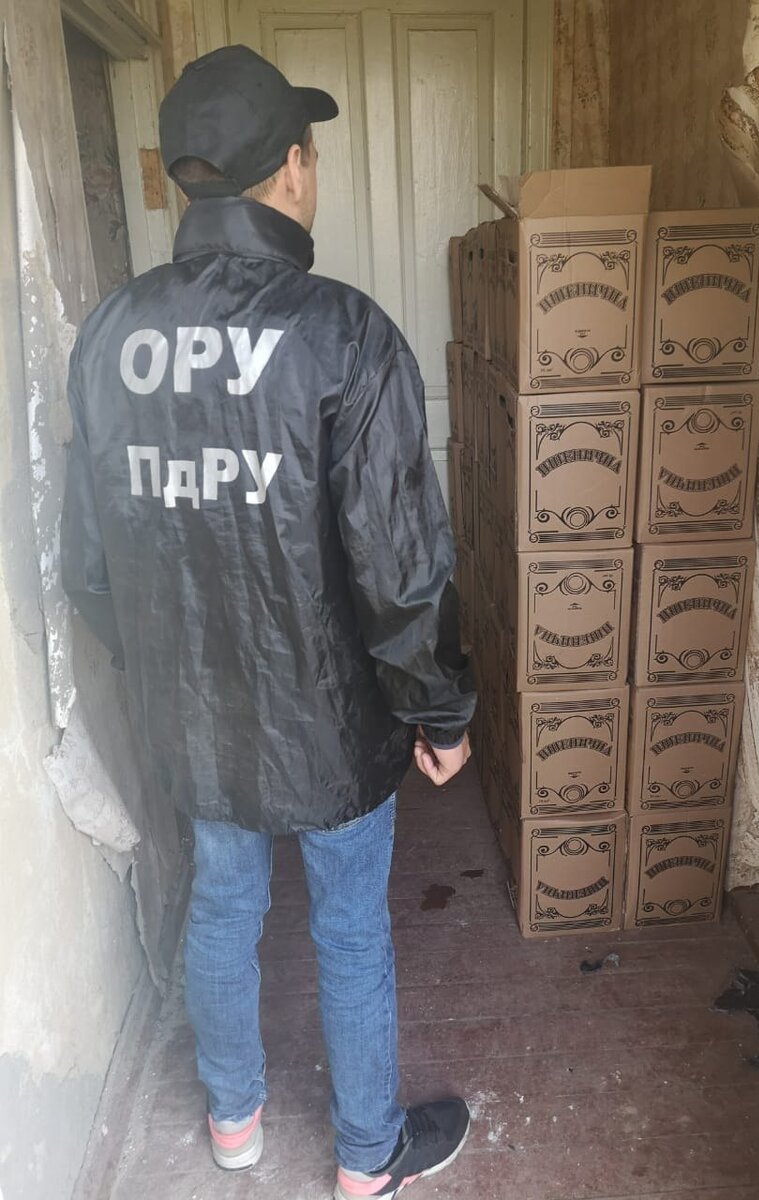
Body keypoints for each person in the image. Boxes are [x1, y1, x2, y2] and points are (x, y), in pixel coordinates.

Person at [60, 43, 477, 1200]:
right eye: (311, 153)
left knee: (222, 904)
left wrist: (160, 667)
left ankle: (234, 1124)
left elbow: (86, 563)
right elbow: (399, 565)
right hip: (331, 721)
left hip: (194, 715)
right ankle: (366, 1159)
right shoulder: (344, 334)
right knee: (348, 928)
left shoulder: (110, 336)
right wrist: (440, 709)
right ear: (290, 167)